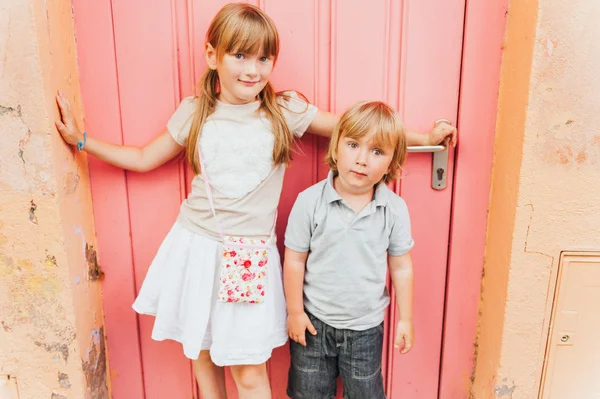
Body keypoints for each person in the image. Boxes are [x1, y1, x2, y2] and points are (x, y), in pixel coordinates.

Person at [55, 3, 455, 398]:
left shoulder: (283, 112)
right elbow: (143, 158)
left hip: (247, 257)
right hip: (196, 248)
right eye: (240, 55)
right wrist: (83, 142)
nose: (253, 69)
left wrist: (424, 138)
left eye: (264, 58)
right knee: (204, 353)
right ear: (212, 55)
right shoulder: (195, 113)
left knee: (248, 371)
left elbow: (356, 128)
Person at [284, 101, 416, 399]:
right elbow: (294, 260)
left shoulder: (393, 210)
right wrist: (294, 312)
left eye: (377, 151)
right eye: (354, 145)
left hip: (365, 329)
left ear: (392, 163)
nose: (362, 160)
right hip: (312, 323)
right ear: (336, 145)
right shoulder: (310, 202)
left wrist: (405, 318)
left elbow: (401, 265)